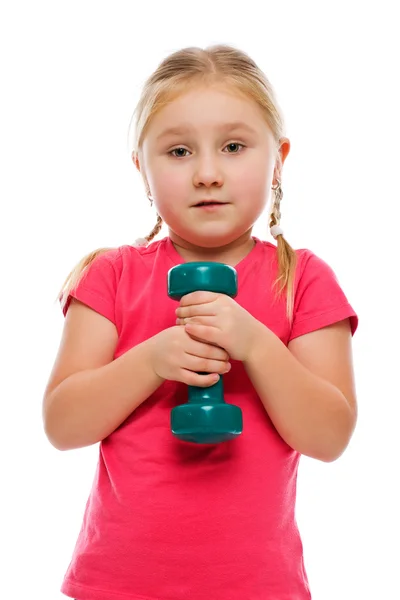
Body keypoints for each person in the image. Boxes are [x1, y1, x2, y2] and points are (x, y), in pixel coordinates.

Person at [42, 44, 359, 600]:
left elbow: (329, 437)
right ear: (142, 167)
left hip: (259, 587)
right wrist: (151, 360)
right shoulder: (110, 276)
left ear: (278, 158)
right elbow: (63, 425)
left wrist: (257, 345)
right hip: (118, 585)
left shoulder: (303, 280)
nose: (208, 174)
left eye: (234, 147)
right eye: (180, 151)